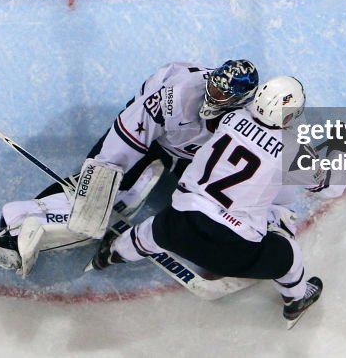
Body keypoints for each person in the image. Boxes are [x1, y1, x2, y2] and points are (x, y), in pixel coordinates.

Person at [0, 59, 260, 275]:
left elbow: (275, 149)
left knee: (213, 207)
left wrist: (303, 179)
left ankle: (225, 251)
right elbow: (126, 140)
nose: (211, 94)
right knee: (108, 189)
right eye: (211, 85)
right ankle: (10, 233)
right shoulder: (176, 94)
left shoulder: (251, 118)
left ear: (239, 101)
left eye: (221, 95)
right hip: (154, 132)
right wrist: (99, 183)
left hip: (192, 155)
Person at [88, 76, 324, 327]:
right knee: (289, 253)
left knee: (150, 232)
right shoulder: (293, 149)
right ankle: (296, 298)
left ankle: (110, 254)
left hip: (180, 225)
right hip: (234, 252)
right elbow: (324, 187)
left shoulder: (232, 118)